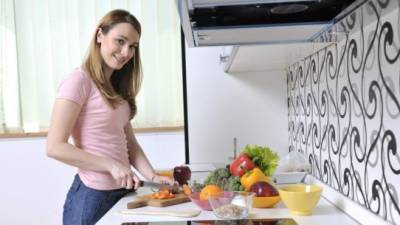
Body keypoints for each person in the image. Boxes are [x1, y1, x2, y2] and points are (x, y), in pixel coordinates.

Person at [46, 9, 174, 225]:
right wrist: (111, 165)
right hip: (91, 196)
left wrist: (152, 177)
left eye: (132, 46)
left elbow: (130, 145)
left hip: (122, 192)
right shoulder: (78, 81)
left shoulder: (117, 89)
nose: (126, 52)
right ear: (99, 36)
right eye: (120, 41)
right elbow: (54, 146)